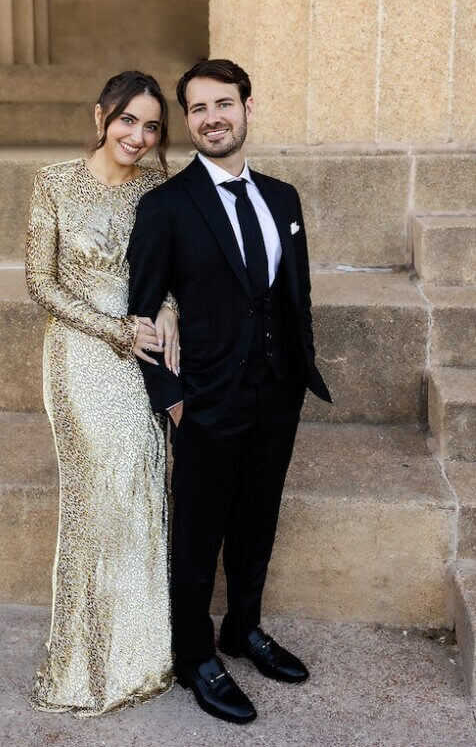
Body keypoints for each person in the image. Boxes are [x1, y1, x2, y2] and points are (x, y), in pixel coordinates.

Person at [128, 58, 331, 725]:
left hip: (278, 392)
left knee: (257, 521)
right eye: (198, 108)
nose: (212, 117)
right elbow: (141, 307)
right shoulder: (165, 206)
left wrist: (299, 373)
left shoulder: (283, 198)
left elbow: (293, 295)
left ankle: (243, 628)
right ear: (187, 122)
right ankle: (194, 654)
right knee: (198, 535)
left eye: (224, 104)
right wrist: (172, 396)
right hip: (207, 400)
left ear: (247, 108)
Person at [25, 71, 180, 716]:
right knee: (99, 496)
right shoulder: (55, 183)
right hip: (81, 353)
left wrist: (169, 307)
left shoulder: (159, 188)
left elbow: (174, 267)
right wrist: (114, 330)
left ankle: (141, 653)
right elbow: (40, 282)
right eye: (127, 121)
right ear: (100, 117)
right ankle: (85, 662)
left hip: (143, 354)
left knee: (144, 483)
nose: (138, 137)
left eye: (150, 126)